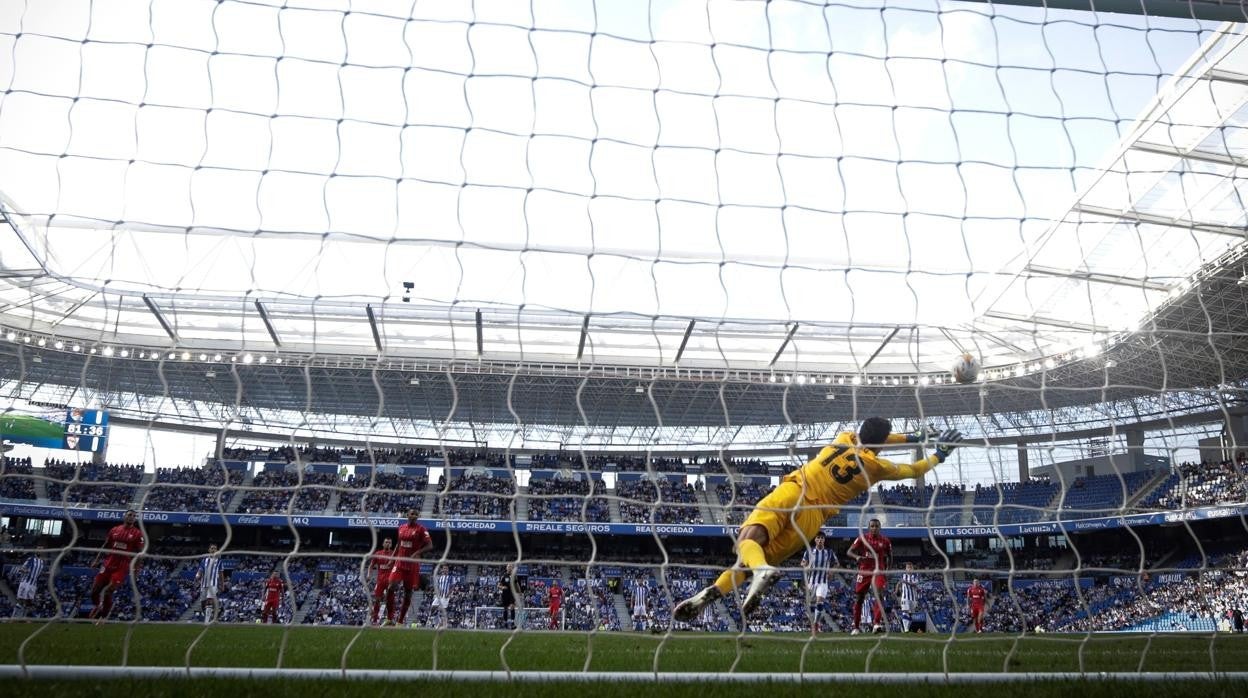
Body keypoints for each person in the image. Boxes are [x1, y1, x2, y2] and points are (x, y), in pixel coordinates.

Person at [674, 419, 962, 622]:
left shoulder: (844, 438)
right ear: (881, 444)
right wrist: (940, 453)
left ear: (860, 431)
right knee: (747, 566)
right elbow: (914, 469)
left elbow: (879, 438)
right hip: (813, 518)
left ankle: (758, 571)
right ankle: (712, 592)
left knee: (747, 544)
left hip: (796, 489)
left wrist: (915, 436)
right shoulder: (877, 467)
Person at [88, 509, 145, 623]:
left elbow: (140, 553)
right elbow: (105, 545)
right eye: (129, 515)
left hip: (122, 566)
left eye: (134, 516)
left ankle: (103, 617)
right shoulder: (114, 530)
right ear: (124, 516)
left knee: (109, 591)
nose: (131, 517)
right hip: (108, 563)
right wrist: (96, 560)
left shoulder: (138, 533)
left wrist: (137, 568)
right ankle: (98, 605)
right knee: (94, 591)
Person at [386, 509, 432, 625]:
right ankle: (389, 618)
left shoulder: (421, 529)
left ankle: (400, 622)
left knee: (408, 592)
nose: (414, 516)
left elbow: (430, 545)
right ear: (408, 515)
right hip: (400, 562)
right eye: (412, 514)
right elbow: (398, 544)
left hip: (412, 565)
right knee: (391, 586)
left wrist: (417, 553)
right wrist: (392, 558)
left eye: (416, 514)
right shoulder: (401, 528)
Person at [847, 518, 891, 634]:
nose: (874, 528)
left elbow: (890, 556)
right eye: (872, 526)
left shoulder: (885, 541)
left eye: (877, 526)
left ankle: (876, 624)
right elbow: (849, 551)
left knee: (879, 595)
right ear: (869, 527)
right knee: (859, 598)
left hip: (878, 571)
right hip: (864, 571)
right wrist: (856, 557)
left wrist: (887, 570)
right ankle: (856, 627)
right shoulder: (862, 538)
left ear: (880, 528)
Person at [801, 531, 837, 632]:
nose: (820, 540)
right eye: (818, 538)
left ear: (824, 540)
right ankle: (813, 622)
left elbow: (836, 564)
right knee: (810, 606)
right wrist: (806, 567)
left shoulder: (829, 552)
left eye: (822, 538)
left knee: (820, 602)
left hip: (823, 582)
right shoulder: (809, 551)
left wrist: (831, 572)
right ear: (815, 539)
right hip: (811, 582)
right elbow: (803, 563)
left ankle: (816, 623)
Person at [367, 538, 395, 626]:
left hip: (390, 581)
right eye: (386, 542)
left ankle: (390, 619)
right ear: (383, 544)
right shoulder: (378, 554)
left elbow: (398, 566)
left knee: (390, 601)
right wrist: (369, 574)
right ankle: (375, 619)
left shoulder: (393, 554)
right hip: (380, 581)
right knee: (377, 600)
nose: (388, 544)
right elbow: (371, 566)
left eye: (389, 542)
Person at [194, 543, 224, 624]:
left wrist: (222, 584)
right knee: (203, 602)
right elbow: (200, 570)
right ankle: (211, 615)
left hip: (213, 584)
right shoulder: (204, 560)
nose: (213, 550)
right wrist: (198, 575)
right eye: (212, 548)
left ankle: (207, 621)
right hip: (204, 584)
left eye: (215, 548)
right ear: (209, 550)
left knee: (209, 600)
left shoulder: (219, 561)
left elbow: (221, 574)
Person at [14, 549, 45, 619]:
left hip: (33, 584)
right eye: (39, 549)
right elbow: (21, 569)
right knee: (21, 600)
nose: (40, 551)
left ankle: (25, 617)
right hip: (26, 582)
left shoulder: (42, 562)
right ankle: (15, 616)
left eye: (41, 549)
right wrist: (25, 570)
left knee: (29, 602)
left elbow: (38, 573)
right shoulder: (31, 559)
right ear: (36, 551)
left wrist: (46, 574)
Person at [897, 562, 921, 632]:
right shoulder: (903, 575)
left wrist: (905, 582)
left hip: (913, 597)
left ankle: (907, 628)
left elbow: (914, 584)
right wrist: (897, 589)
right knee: (905, 611)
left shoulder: (916, 575)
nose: (909, 569)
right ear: (906, 568)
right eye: (908, 567)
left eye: (910, 567)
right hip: (905, 597)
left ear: (913, 568)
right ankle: (906, 629)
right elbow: (899, 582)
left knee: (910, 614)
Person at [497, 564, 519, 629]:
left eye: (511, 567)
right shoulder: (504, 576)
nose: (510, 568)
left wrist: (519, 592)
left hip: (512, 594)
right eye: (508, 566)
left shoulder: (514, 576)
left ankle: (512, 623)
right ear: (506, 568)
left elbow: (517, 584)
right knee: (505, 609)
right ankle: (505, 623)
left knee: (512, 607)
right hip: (505, 595)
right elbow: (498, 585)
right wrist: (503, 587)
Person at [431, 564, 452, 629]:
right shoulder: (440, 577)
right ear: (442, 570)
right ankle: (437, 621)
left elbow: (452, 586)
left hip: (445, 596)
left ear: (448, 570)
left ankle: (442, 624)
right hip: (439, 596)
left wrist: (448, 594)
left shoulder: (450, 577)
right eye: (444, 568)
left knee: (443, 610)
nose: (445, 570)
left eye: (446, 568)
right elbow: (438, 586)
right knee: (433, 607)